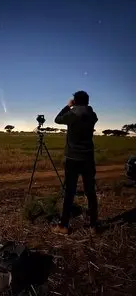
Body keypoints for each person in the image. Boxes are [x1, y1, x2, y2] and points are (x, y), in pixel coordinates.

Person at [52, 91, 98, 235]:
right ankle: (93, 226)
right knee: (90, 191)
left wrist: (68, 106)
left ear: (75, 101)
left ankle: (64, 225)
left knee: (70, 192)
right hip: (88, 158)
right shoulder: (92, 115)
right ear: (87, 101)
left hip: (73, 159)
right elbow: (88, 112)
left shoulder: (73, 114)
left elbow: (57, 119)